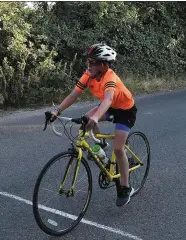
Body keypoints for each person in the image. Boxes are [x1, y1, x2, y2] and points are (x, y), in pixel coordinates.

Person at [51, 43, 137, 207]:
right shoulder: (88, 74)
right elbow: (74, 94)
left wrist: (97, 117)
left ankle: (126, 188)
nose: (89, 65)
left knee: (118, 149)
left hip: (126, 111)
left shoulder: (110, 78)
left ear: (104, 65)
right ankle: (101, 145)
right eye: (88, 62)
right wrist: (57, 111)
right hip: (111, 108)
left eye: (93, 62)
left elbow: (108, 99)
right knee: (86, 120)